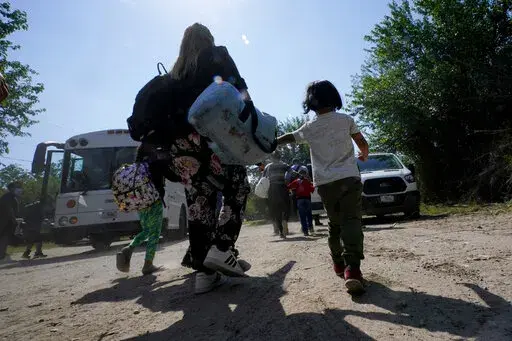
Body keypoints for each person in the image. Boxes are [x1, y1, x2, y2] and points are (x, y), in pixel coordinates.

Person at [165, 23, 251, 294]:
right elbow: (241, 91)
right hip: (215, 138)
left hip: (182, 146)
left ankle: (204, 273)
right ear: (209, 40)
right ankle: (223, 248)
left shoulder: (175, 73)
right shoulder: (217, 55)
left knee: (199, 206)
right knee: (236, 189)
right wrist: (249, 123)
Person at [277, 80, 369, 294]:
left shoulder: (310, 127)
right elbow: (361, 142)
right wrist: (364, 154)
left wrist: (271, 142)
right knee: (351, 221)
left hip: (326, 184)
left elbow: (289, 137)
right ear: (335, 97)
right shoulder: (346, 120)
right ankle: (353, 270)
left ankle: (338, 264)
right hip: (349, 178)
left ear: (310, 102)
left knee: (335, 223)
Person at [116, 143, 181, 275]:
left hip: (140, 203)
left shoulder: (136, 167)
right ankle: (148, 264)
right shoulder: (157, 164)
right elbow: (175, 177)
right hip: (154, 202)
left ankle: (129, 249)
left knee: (146, 230)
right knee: (154, 233)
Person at [263, 152, 290, 238]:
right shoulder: (284, 165)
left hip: (272, 189)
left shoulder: (268, 166)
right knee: (287, 207)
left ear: (272, 158)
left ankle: (281, 232)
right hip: (283, 188)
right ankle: (285, 221)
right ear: (280, 156)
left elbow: (263, 178)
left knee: (276, 210)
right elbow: (292, 173)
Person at [287, 169, 315, 236]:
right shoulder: (307, 182)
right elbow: (312, 190)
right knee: (309, 215)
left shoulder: (296, 181)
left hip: (299, 200)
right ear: (306, 174)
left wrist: (293, 190)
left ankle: (305, 232)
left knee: (302, 216)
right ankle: (311, 228)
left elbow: (288, 187)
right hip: (307, 199)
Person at [0, 182, 22, 260]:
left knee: (5, 237)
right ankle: (1, 254)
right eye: (16, 187)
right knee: (4, 237)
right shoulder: (8, 197)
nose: (19, 189)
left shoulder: (11, 197)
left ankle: (2, 253)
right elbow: (9, 210)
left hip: (6, 221)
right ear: (12, 188)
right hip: (4, 221)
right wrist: (13, 219)